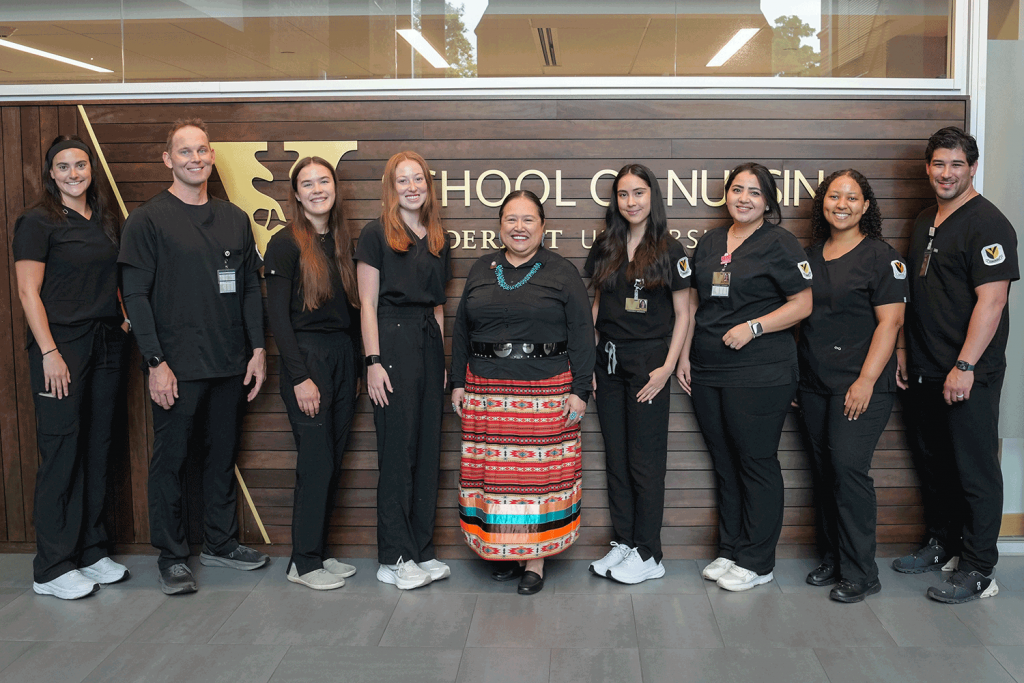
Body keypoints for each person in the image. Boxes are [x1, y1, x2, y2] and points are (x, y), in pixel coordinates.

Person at [119, 118, 269, 595]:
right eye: (185, 152)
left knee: (221, 457)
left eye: (202, 150)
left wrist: (259, 348)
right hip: (176, 368)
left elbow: (249, 288)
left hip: (229, 363)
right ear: (168, 159)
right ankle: (171, 555)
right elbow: (135, 295)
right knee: (172, 461)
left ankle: (221, 544)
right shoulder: (147, 220)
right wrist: (154, 362)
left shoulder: (233, 218)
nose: (195, 158)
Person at [894, 127, 1018, 603]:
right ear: (928, 168)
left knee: (975, 470)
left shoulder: (989, 224)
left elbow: (992, 303)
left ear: (972, 168)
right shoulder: (927, 218)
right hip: (925, 366)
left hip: (969, 372)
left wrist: (964, 365)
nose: (946, 173)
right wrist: (906, 352)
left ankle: (980, 567)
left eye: (956, 165)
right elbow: (916, 295)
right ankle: (943, 543)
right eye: (939, 164)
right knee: (936, 465)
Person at [451, 190, 595, 595]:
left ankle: (534, 560)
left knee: (535, 481)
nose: (519, 227)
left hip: (546, 391)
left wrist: (580, 390)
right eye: (511, 219)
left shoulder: (561, 271)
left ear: (543, 226)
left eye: (528, 219)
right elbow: (462, 328)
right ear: (500, 226)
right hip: (486, 390)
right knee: (496, 481)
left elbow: (583, 333)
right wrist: (457, 383)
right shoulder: (482, 267)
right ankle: (506, 550)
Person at [679, 162, 813, 592]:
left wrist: (755, 326)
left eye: (755, 192)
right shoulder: (711, 242)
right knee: (725, 463)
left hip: (760, 371)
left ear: (768, 201)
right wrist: (684, 356)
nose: (744, 198)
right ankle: (732, 548)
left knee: (756, 462)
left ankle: (759, 560)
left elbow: (803, 303)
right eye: (738, 189)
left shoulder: (781, 242)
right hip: (707, 369)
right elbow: (697, 304)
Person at [13, 136, 130, 600]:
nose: (73, 173)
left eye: (80, 165)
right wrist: (49, 352)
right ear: (51, 173)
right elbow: (28, 292)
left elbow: (108, 276)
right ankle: (52, 567)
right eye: (63, 167)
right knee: (62, 451)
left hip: (105, 343)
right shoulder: (37, 221)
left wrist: (120, 315)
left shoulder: (101, 219)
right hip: (60, 347)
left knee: (97, 446)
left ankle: (90, 551)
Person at [796, 170, 907, 603]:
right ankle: (835, 558)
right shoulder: (809, 255)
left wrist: (865, 380)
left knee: (848, 472)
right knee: (824, 474)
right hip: (813, 383)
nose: (841, 204)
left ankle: (862, 571)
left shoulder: (881, 257)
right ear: (823, 202)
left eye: (852, 197)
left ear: (865, 206)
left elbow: (891, 322)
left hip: (861, 386)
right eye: (834, 196)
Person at [583, 164, 690, 584]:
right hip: (607, 362)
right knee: (617, 458)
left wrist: (667, 368)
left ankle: (650, 553)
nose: (631, 201)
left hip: (650, 364)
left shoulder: (670, 248)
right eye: (624, 194)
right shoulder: (605, 244)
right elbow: (595, 307)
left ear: (652, 197)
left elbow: (684, 314)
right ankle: (626, 543)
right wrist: (588, 360)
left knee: (645, 462)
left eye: (639, 193)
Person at [356, 151, 452, 590]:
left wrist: (443, 360)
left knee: (426, 451)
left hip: (427, 342)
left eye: (418, 179)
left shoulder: (437, 237)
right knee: (398, 452)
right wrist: (373, 362)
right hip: (390, 341)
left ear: (428, 187)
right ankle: (393, 556)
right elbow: (368, 306)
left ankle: (420, 550)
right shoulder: (375, 234)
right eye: (402, 180)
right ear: (390, 188)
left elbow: (438, 305)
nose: (412, 187)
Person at [264, 157, 361, 590]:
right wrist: (300, 376)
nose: (318, 189)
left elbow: (352, 315)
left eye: (324, 180)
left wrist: (357, 367)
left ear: (335, 187)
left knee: (333, 459)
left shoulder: (341, 241)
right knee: (316, 461)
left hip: (341, 356)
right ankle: (303, 564)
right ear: (297, 194)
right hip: (308, 359)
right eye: (308, 183)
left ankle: (315, 553)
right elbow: (278, 319)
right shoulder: (285, 243)